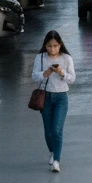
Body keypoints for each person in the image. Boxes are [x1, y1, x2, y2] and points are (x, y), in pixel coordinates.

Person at [31, 30, 75, 172]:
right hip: (46, 97)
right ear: (45, 46)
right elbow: (34, 77)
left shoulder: (67, 58)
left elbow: (72, 79)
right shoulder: (40, 58)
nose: (52, 49)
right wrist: (46, 73)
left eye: (55, 46)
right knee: (48, 132)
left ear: (60, 45)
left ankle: (57, 160)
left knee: (57, 130)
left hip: (61, 97)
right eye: (49, 46)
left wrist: (62, 73)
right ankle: (52, 151)